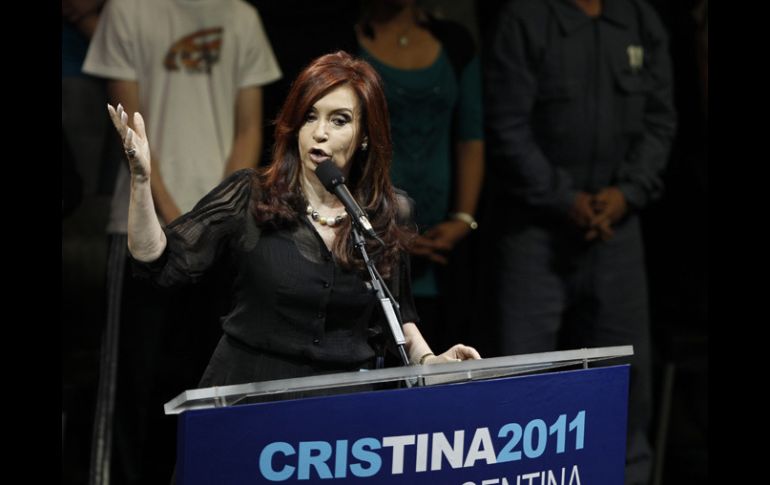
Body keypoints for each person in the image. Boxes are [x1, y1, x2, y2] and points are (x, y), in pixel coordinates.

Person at [107, 51, 480, 394]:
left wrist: (429, 361)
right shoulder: (251, 196)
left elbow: (395, 312)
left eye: (339, 120)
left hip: (341, 409)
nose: (320, 132)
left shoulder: (387, 213)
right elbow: (157, 257)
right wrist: (141, 179)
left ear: (365, 135)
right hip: (250, 396)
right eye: (310, 116)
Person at [82, 0, 282, 481]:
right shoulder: (128, 10)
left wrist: (215, 222)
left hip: (222, 239)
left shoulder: (241, 16)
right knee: (130, 382)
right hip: (142, 228)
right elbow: (130, 130)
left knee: (209, 382)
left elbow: (249, 129)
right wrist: (180, 225)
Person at [484, 1, 676, 483]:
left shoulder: (639, 18)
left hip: (616, 231)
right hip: (534, 231)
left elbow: (660, 120)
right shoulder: (526, 19)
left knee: (625, 381)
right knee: (522, 384)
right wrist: (564, 198)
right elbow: (507, 126)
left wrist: (626, 193)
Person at [356, 0, 485, 350]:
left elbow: (471, 136)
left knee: (446, 347)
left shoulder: (454, 42)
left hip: (445, 240)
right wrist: (384, 231)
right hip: (372, 233)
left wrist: (463, 219)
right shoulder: (347, 40)